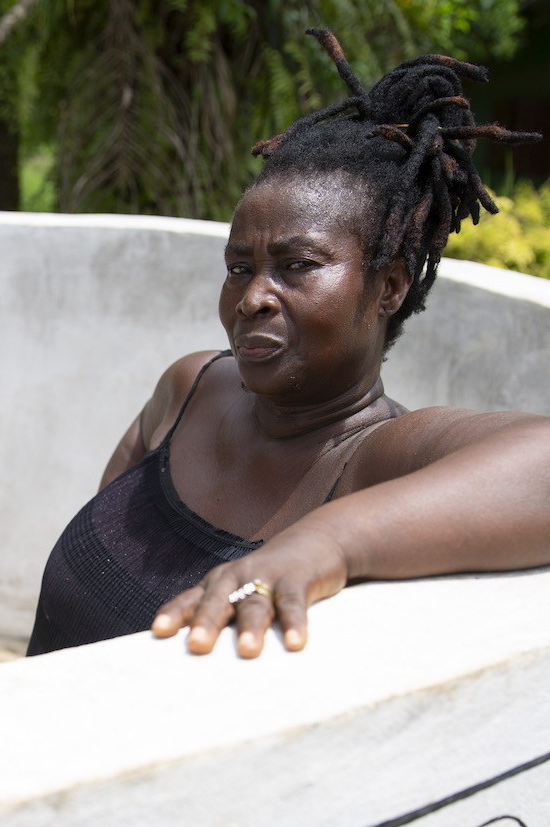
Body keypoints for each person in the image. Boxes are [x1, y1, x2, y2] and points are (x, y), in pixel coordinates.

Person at [27, 29, 549, 659]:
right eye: (239, 267)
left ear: (388, 287)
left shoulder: (378, 462)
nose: (252, 298)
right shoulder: (190, 387)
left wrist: (326, 542)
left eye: (297, 266)